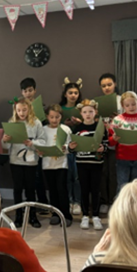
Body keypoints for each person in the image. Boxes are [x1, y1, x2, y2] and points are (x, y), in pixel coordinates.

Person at [2, 98, 46, 228]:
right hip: (16, 161)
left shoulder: (36, 123)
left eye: (24, 110)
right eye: (19, 110)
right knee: (17, 189)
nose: (22, 113)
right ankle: (19, 216)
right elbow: (6, 146)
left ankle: (32, 216)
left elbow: (43, 141)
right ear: (15, 110)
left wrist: (32, 144)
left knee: (30, 190)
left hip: (31, 161)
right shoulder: (12, 122)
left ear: (29, 109)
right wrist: (5, 140)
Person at [68, 99, 109, 231]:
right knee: (84, 189)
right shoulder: (77, 129)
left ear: (95, 112)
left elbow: (106, 144)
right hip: (82, 163)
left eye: (90, 111)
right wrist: (72, 147)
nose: (88, 114)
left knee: (96, 190)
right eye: (85, 112)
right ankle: (85, 215)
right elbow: (72, 146)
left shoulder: (100, 127)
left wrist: (103, 148)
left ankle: (96, 216)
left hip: (96, 163)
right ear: (81, 113)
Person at [109, 91, 137, 192]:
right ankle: (121, 207)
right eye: (127, 105)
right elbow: (110, 142)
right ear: (123, 106)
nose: (131, 107)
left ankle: (135, 207)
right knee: (122, 186)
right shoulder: (117, 120)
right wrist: (114, 139)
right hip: (122, 158)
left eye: (133, 104)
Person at [38, 104, 73, 227]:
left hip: (61, 164)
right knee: (52, 190)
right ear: (47, 117)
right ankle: (55, 214)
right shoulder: (43, 129)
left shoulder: (65, 129)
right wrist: (40, 152)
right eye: (52, 117)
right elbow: (40, 144)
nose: (54, 120)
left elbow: (70, 146)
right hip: (47, 165)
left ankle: (66, 215)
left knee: (62, 189)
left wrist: (66, 148)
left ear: (61, 117)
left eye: (57, 117)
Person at [20, 77, 50, 210]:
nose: (28, 93)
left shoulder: (41, 107)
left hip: (38, 143)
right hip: (23, 146)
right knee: (27, 178)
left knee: (39, 176)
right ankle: (29, 204)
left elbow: (45, 126)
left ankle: (42, 203)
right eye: (25, 91)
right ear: (22, 92)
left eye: (30, 90)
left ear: (35, 90)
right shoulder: (19, 108)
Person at [59, 79, 82, 216]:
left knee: (77, 176)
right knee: (67, 176)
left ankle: (77, 202)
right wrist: (65, 123)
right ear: (65, 94)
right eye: (70, 93)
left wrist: (80, 123)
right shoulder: (61, 109)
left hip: (79, 145)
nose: (73, 95)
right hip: (65, 146)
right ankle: (68, 200)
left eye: (76, 92)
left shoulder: (82, 108)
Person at [98, 73, 121, 214]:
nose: (107, 88)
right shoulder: (98, 102)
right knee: (102, 172)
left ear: (115, 84)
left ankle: (113, 200)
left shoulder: (120, 100)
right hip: (101, 142)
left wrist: (117, 118)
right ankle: (103, 200)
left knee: (114, 173)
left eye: (109, 85)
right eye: (103, 86)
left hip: (116, 143)